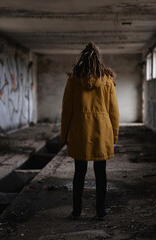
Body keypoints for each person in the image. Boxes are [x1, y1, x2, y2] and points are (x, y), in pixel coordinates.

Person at [61, 42, 119, 220]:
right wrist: (114, 136)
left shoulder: (73, 80)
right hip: (102, 131)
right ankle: (100, 211)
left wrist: (65, 136)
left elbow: (67, 110)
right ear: (98, 60)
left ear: (82, 60)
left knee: (79, 173)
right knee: (100, 173)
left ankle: (76, 211)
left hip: (80, 131)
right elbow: (114, 111)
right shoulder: (107, 80)